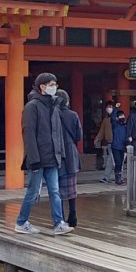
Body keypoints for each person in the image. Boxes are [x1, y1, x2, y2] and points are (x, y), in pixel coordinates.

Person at [15, 73, 70, 235]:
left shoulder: (53, 105)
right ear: (42, 86)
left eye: (55, 84)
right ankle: (21, 221)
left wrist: (60, 154)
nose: (54, 87)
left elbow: (57, 132)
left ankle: (58, 222)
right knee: (32, 192)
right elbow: (29, 134)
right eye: (51, 84)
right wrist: (33, 159)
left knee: (55, 191)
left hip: (52, 156)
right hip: (38, 157)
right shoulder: (32, 106)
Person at [55, 89, 82, 228]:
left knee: (56, 188)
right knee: (72, 188)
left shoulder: (53, 115)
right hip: (71, 152)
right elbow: (78, 136)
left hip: (57, 152)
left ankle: (60, 218)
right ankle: (73, 215)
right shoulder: (73, 115)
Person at [94, 99, 115, 183]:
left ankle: (115, 176)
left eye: (110, 107)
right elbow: (102, 131)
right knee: (111, 161)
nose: (109, 108)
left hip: (116, 143)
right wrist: (97, 138)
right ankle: (107, 177)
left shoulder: (117, 118)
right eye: (107, 107)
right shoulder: (106, 119)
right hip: (109, 142)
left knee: (113, 161)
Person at [110, 109, 128, 185]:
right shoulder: (115, 125)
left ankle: (119, 177)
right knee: (117, 162)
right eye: (120, 116)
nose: (122, 117)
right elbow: (112, 118)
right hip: (115, 147)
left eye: (123, 115)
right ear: (117, 118)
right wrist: (115, 109)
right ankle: (117, 178)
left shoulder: (125, 126)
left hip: (122, 147)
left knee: (120, 163)